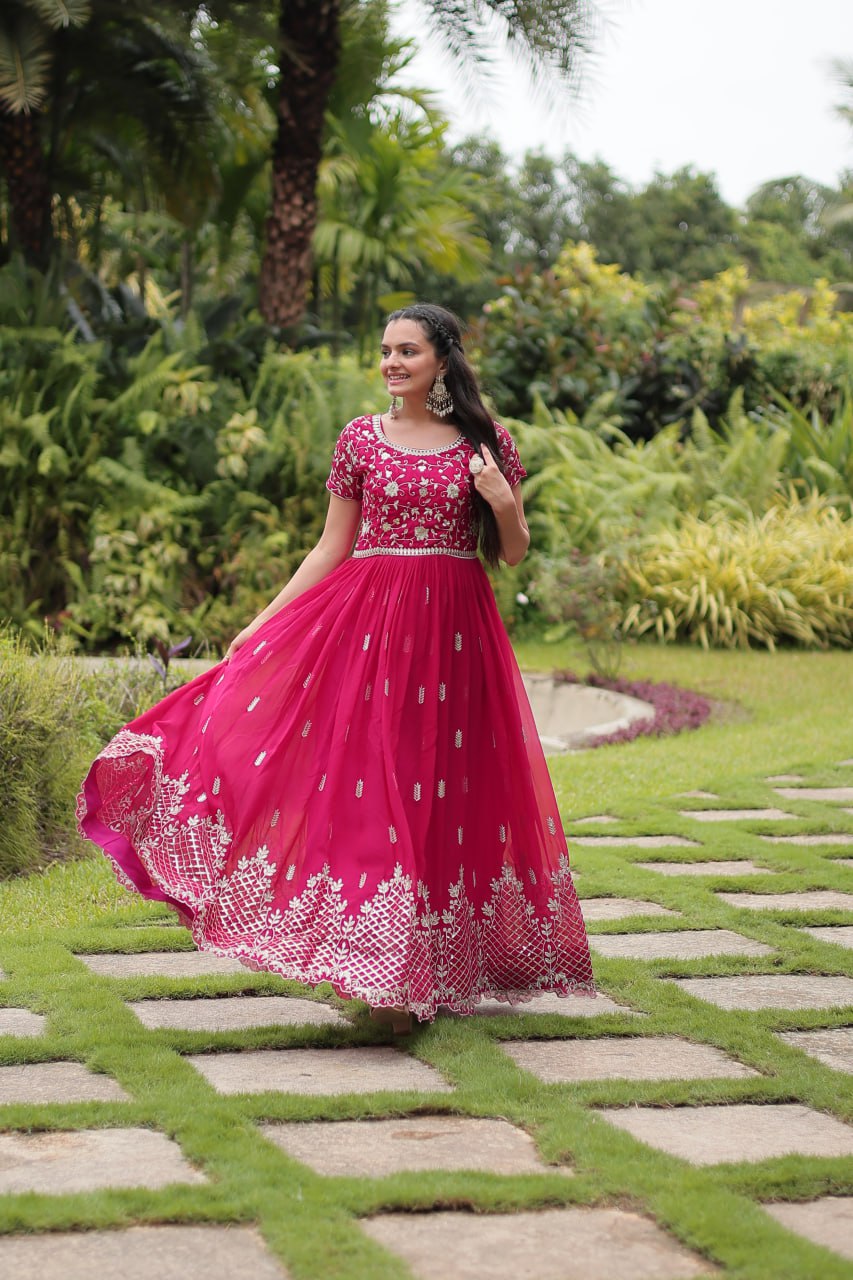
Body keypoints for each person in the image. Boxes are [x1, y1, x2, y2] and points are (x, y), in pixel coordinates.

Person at [77, 303, 595, 1030]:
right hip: (369, 632)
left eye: (407, 351)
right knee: (372, 787)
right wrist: (261, 622)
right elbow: (330, 547)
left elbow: (512, 552)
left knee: (443, 791)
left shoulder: (486, 443)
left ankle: (435, 966)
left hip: (454, 635)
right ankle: (377, 969)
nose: (391, 362)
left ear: (442, 361)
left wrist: (502, 501)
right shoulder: (361, 439)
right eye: (384, 349)